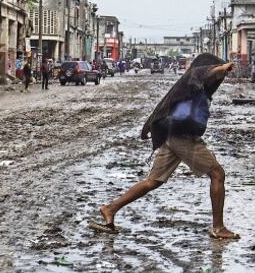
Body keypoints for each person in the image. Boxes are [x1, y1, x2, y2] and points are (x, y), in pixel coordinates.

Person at [92, 53, 239, 239]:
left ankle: (110, 209)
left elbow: (169, 102)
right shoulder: (193, 78)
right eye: (219, 75)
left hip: (171, 134)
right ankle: (218, 228)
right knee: (217, 174)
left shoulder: (192, 87)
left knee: (154, 181)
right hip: (182, 136)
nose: (221, 79)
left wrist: (149, 126)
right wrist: (222, 68)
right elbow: (201, 72)